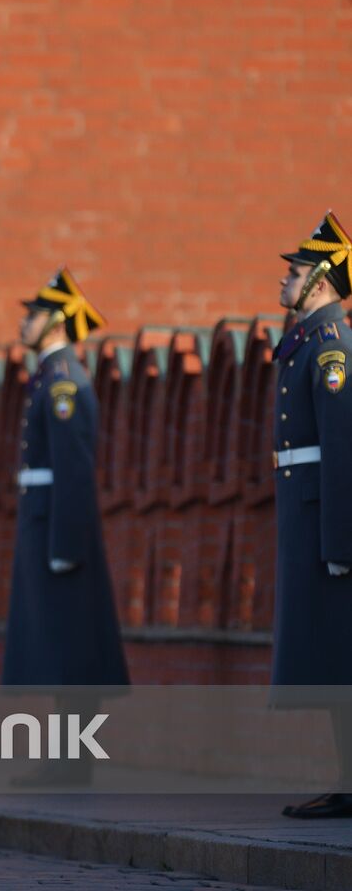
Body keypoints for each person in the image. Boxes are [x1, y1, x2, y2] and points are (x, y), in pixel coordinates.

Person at [2, 268, 129, 785]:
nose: (24, 322)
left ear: (56, 323)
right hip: (45, 519)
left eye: (33, 315)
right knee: (58, 642)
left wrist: (66, 542)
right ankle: (67, 759)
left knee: (71, 645)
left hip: (59, 524)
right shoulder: (50, 378)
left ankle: (74, 762)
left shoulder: (64, 383)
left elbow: (75, 468)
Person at [269, 211, 352, 819]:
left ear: (320, 282)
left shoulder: (331, 348)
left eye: (294, 272)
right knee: (326, 651)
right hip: (308, 515)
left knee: (338, 650)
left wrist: (340, 540)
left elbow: (343, 446)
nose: (283, 282)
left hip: (326, 522)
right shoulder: (305, 342)